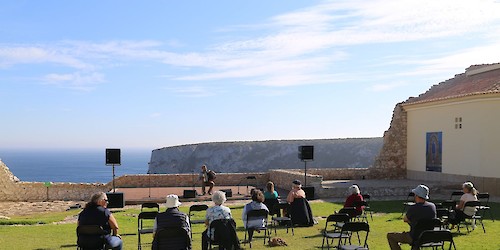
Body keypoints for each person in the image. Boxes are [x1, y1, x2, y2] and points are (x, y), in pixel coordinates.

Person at [387, 184, 436, 250]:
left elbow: (405, 219)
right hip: (428, 236)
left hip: (414, 236)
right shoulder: (432, 206)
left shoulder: (414, 208)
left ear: (417, 195)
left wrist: (412, 222)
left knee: (390, 236)